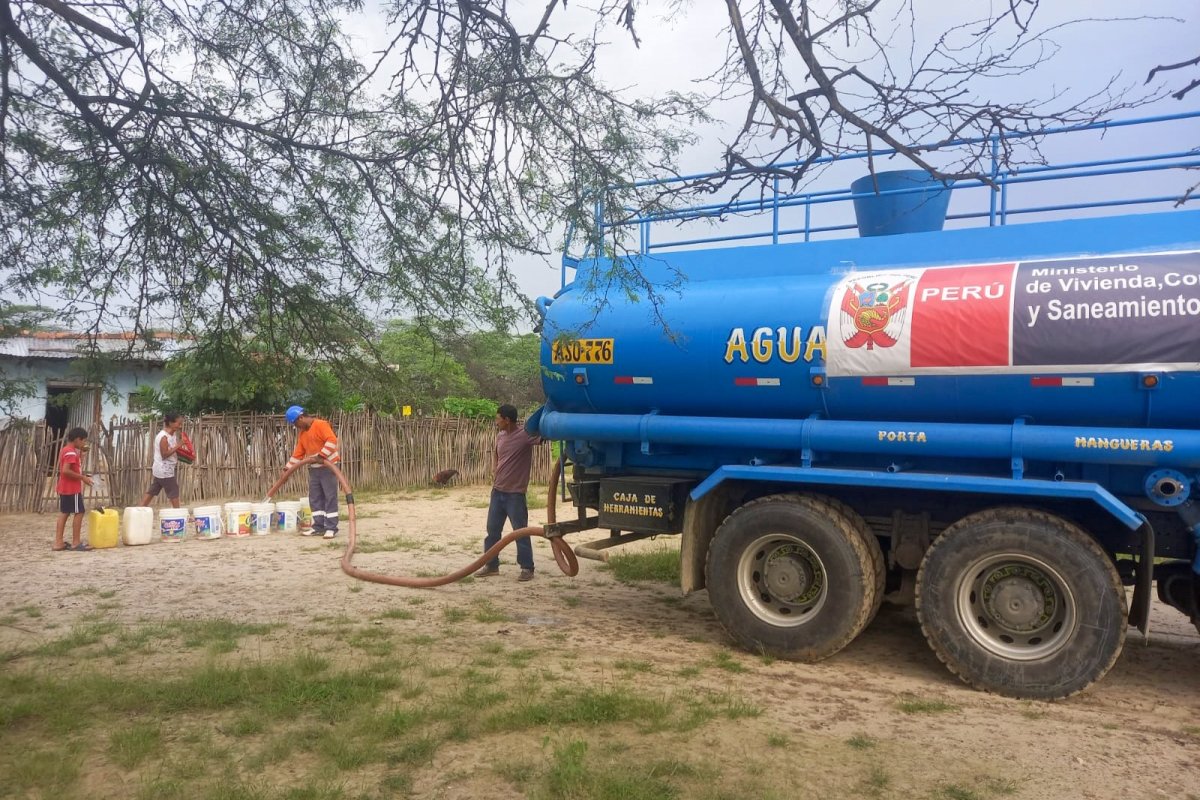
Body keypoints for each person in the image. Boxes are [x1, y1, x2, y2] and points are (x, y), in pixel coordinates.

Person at [475, 404, 542, 582]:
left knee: (520, 531)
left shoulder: (525, 435)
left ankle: (527, 568)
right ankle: (491, 565)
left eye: (498, 419)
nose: (496, 422)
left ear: (507, 420)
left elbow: (543, 437)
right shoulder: (500, 436)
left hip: (515, 494)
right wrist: (495, 469)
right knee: (492, 531)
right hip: (498, 491)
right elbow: (497, 455)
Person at [281, 405, 341, 539]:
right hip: (314, 469)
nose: (296, 426)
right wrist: (288, 467)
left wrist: (322, 456)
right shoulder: (303, 434)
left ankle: (331, 528)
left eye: (296, 423)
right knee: (315, 498)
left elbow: (332, 441)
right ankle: (318, 527)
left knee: (329, 497)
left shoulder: (321, 425)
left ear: (301, 418)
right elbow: (299, 453)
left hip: (328, 467)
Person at [54, 427, 94, 551]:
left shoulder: (66, 450)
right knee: (79, 512)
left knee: (64, 513)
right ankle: (76, 542)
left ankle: (58, 542)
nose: (84, 444)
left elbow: (73, 467)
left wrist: (82, 455)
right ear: (77, 439)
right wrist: (82, 478)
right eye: (83, 441)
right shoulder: (71, 452)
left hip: (64, 487)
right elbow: (66, 471)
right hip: (72, 488)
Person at [140, 412, 185, 507]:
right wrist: (179, 445)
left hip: (162, 469)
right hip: (164, 470)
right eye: (178, 423)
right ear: (170, 423)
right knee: (173, 490)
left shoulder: (172, 435)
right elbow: (164, 454)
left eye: (181, 424)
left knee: (153, 490)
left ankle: (140, 510)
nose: (180, 426)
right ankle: (178, 513)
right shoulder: (163, 437)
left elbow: (172, 450)